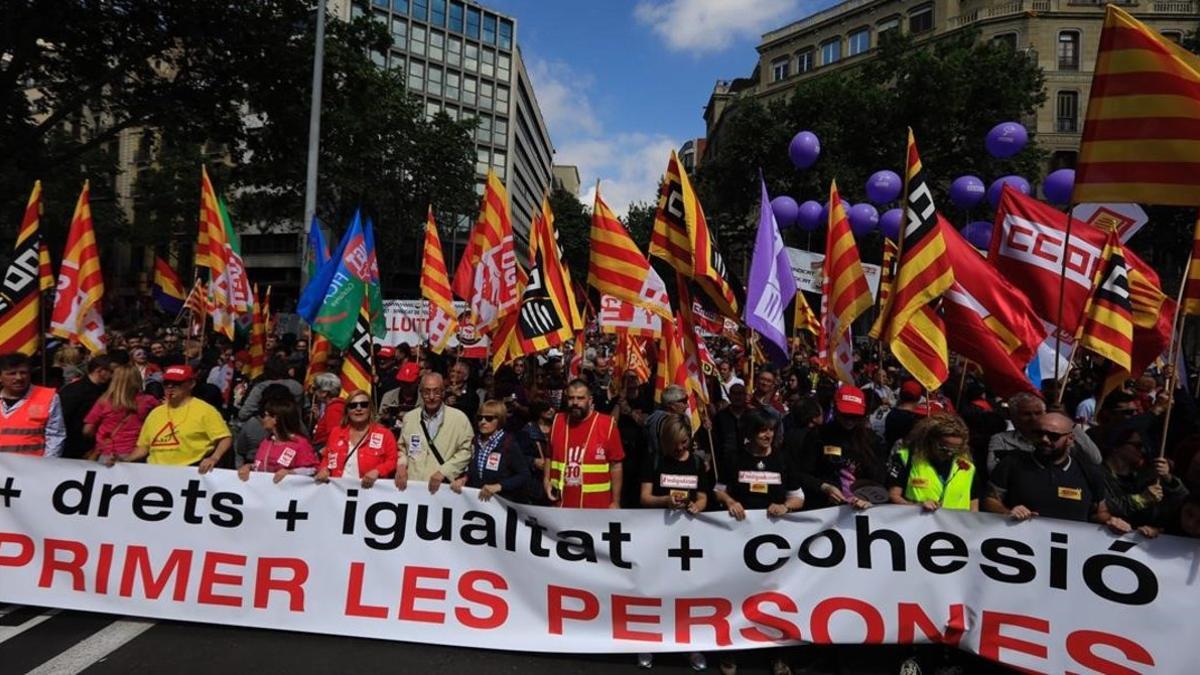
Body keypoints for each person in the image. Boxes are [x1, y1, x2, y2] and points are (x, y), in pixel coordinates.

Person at [712, 408, 803, 675]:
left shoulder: (782, 461)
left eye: (771, 430)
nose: (768, 435)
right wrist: (730, 501)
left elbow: (798, 497)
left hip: (773, 544)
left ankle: (777, 655)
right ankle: (732, 652)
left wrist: (786, 507)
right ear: (750, 433)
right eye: (763, 430)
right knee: (738, 595)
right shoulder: (734, 460)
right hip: (738, 541)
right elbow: (718, 491)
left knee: (773, 598)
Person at [636, 412, 709, 671]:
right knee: (655, 591)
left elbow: (703, 496)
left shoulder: (698, 464)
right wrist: (664, 501)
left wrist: (697, 505)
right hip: (658, 536)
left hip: (688, 538)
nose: (681, 448)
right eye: (676, 443)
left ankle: (691, 646)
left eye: (685, 442)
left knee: (686, 593)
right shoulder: (655, 460)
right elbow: (644, 498)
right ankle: (650, 643)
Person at [983, 412, 1123, 530]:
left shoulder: (1089, 471)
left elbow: (1099, 512)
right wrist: (1008, 512)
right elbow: (990, 500)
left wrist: (1111, 521)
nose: (1044, 439)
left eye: (1053, 436)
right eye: (1039, 433)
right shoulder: (1012, 463)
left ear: (1070, 439)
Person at [126, 365, 232, 470]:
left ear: (191, 384)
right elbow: (143, 447)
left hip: (189, 471)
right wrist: (124, 460)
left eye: (176, 384)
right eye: (166, 384)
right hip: (155, 471)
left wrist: (214, 458)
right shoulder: (156, 413)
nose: (170, 387)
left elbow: (225, 438)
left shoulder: (205, 410)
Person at [1096, 424, 1189, 538]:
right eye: (1137, 446)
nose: (1143, 450)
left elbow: (1184, 500)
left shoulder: (1146, 475)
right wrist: (1141, 499)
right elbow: (1104, 508)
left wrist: (1167, 477)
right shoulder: (1099, 474)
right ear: (1116, 446)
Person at [797, 386, 882, 509]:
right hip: (825, 508)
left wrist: (868, 497)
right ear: (836, 410)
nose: (850, 420)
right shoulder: (819, 435)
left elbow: (878, 477)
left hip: (861, 508)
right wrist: (824, 487)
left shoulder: (871, 440)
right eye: (845, 415)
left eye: (855, 416)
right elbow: (802, 474)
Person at [545, 379, 625, 509]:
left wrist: (615, 501)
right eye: (571, 398)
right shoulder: (557, 422)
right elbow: (549, 455)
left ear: (590, 400)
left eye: (580, 398)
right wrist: (546, 480)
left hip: (596, 507)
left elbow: (616, 466)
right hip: (561, 506)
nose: (575, 403)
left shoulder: (607, 425)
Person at [396, 372, 474, 493]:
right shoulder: (410, 418)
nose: (431, 396)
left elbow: (466, 451)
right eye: (426, 392)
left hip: (442, 488)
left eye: (436, 391)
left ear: (443, 393)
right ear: (420, 393)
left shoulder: (459, 418)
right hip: (413, 487)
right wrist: (401, 467)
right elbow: (402, 449)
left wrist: (444, 472)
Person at [888, 414, 979, 511]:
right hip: (918, 522)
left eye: (955, 449)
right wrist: (917, 507)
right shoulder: (906, 458)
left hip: (956, 524)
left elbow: (973, 505)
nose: (949, 453)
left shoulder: (968, 467)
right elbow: (893, 496)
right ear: (930, 440)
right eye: (943, 448)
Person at [988, 392, 1101, 470]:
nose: (1034, 418)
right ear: (1014, 417)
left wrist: (1067, 422)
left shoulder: (1061, 438)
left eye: (1038, 413)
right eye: (1027, 414)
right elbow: (993, 470)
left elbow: (1095, 458)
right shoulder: (1001, 439)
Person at [450, 399, 530, 501]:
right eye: (480, 418)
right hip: (476, 501)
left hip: (500, 503)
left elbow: (524, 475)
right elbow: (472, 470)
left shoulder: (508, 443)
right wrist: (464, 479)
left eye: (489, 418)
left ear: (500, 420)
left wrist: (499, 486)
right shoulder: (474, 441)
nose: (483, 422)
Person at [316, 390, 397, 488]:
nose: (358, 409)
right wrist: (324, 469)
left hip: (369, 492)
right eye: (353, 406)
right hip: (338, 492)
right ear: (347, 411)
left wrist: (378, 471)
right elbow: (327, 457)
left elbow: (393, 460)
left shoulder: (385, 434)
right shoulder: (336, 432)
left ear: (370, 409)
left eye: (364, 405)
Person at [84, 365, 157, 464]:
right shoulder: (148, 401)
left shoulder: (104, 401)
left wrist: (101, 439)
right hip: (135, 453)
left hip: (107, 453)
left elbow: (88, 429)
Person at [238, 397, 319, 483]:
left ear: (275, 419)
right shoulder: (266, 442)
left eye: (266, 415)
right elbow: (262, 466)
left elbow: (313, 470)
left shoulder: (300, 443)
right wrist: (249, 467)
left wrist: (291, 473)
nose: (263, 419)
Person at [0, 352, 66, 456]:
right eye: (12, 373)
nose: (19, 378)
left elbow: (55, 436)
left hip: (31, 468)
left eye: (23, 373)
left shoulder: (48, 397)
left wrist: (47, 466)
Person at [58, 354, 114, 459]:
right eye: (111, 372)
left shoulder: (106, 390)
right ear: (100, 371)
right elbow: (62, 420)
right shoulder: (74, 391)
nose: (113, 376)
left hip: (97, 447)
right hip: (74, 448)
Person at [309, 372, 344, 452]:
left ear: (324, 393)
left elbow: (334, 435)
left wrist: (321, 454)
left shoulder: (335, 408)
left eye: (315, 389)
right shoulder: (331, 407)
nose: (313, 393)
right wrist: (319, 419)